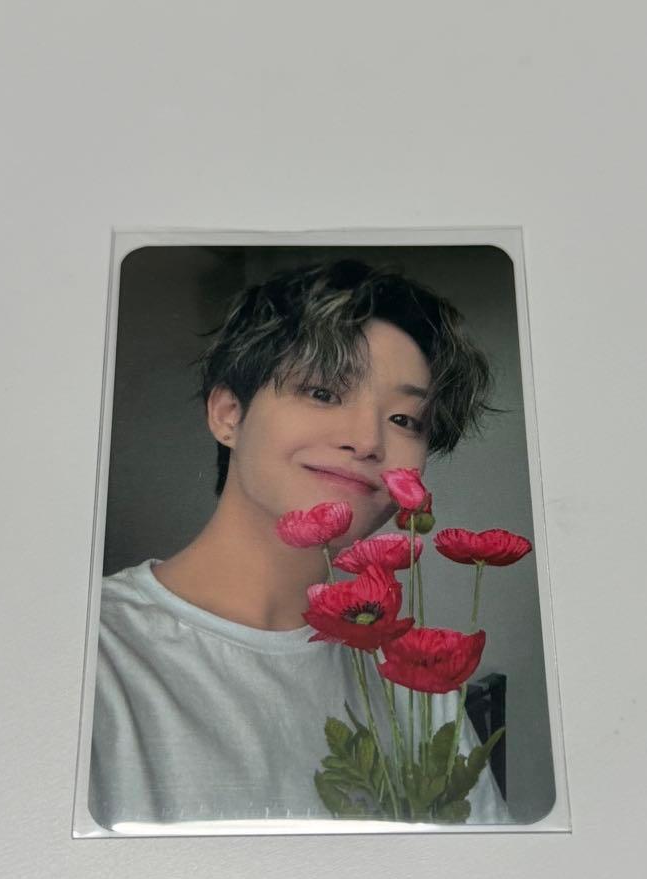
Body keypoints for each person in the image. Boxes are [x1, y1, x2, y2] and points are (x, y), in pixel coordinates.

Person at [88, 259, 511, 828]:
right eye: (322, 391)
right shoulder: (90, 659)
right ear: (228, 415)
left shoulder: (416, 679)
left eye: (405, 419)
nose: (366, 440)